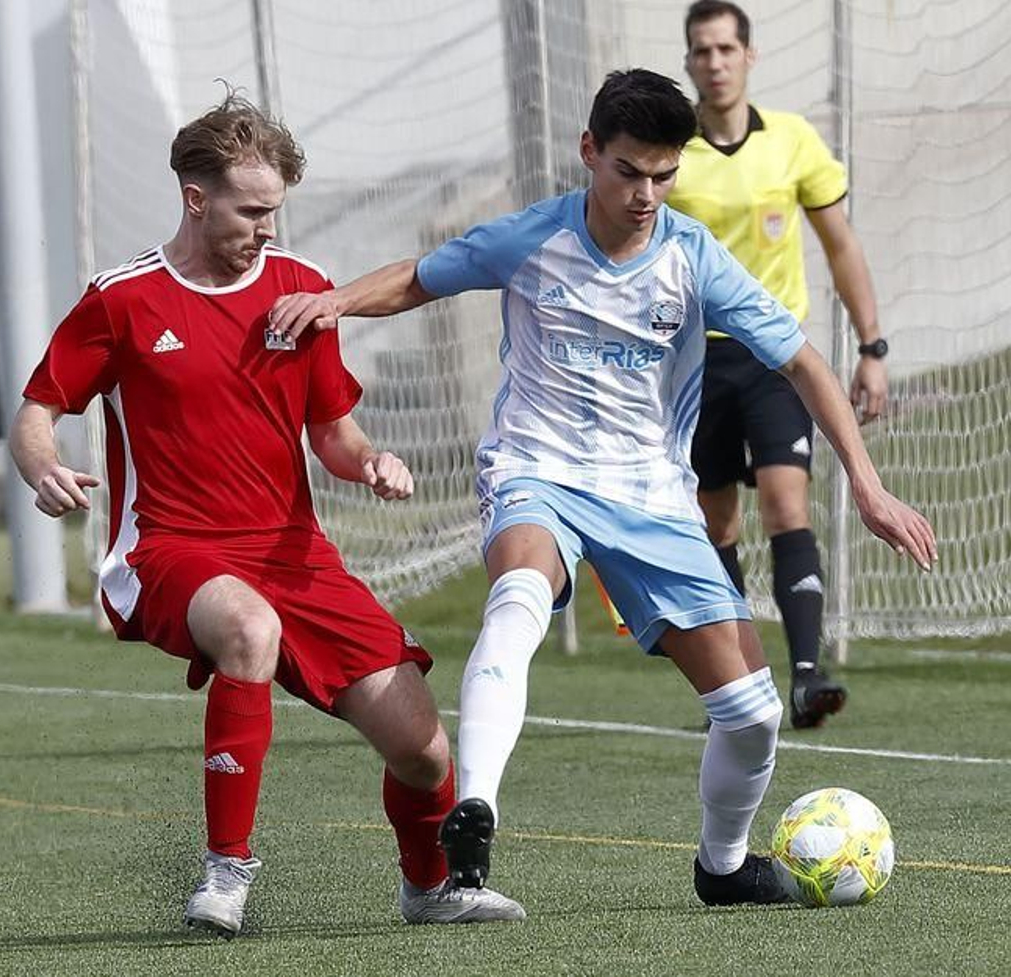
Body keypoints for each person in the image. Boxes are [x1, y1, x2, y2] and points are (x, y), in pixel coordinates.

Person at [270, 70, 934, 909]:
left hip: (651, 495)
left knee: (753, 712)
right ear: (590, 153)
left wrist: (868, 488)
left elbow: (801, 359)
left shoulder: (693, 258)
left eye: (664, 174)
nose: (646, 193)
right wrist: (335, 302)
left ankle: (723, 868)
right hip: (535, 468)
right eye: (628, 172)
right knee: (518, 592)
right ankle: (474, 807)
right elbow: (423, 276)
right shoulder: (533, 237)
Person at [7, 95, 524, 937]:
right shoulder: (123, 298)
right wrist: (43, 468)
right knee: (248, 628)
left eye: (276, 210)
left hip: (294, 553)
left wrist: (372, 462)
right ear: (195, 196)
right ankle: (226, 868)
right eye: (252, 210)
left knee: (425, 748)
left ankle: (430, 886)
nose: (267, 228)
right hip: (169, 547)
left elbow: (333, 433)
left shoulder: (305, 292)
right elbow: (37, 409)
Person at [669, 0, 890, 729]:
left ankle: (805, 674)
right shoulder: (670, 154)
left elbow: (844, 245)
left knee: (787, 503)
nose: (715, 62)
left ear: (749, 56)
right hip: (693, 364)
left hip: (775, 357)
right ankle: (736, 678)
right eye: (702, 51)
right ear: (690, 62)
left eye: (727, 48)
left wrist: (871, 346)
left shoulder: (792, 141)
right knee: (717, 522)